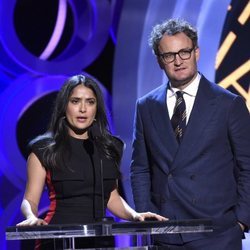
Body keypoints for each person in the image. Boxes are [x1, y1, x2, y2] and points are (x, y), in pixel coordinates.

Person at [130, 18, 250, 250]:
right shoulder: (146, 106)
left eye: (184, 52)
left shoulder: (228, 104)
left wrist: (241, 221)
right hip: (166, 231)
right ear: (159, 61)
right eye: (169, 55)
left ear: (196, 52)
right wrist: (147, 216)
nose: (178, 61)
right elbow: (140, 168)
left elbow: (248, 164)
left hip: (217, 232)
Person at [17, 74, 166, 249]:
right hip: (57, 240)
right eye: (75, 101)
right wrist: (31, 217)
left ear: (97, 108)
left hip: (98, 240)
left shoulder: (111, 147)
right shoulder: (44, 150)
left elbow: (112, 196)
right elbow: (30, 200)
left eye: (90, 102)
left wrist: (135, 215)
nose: (83, 109)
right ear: (64, 106)